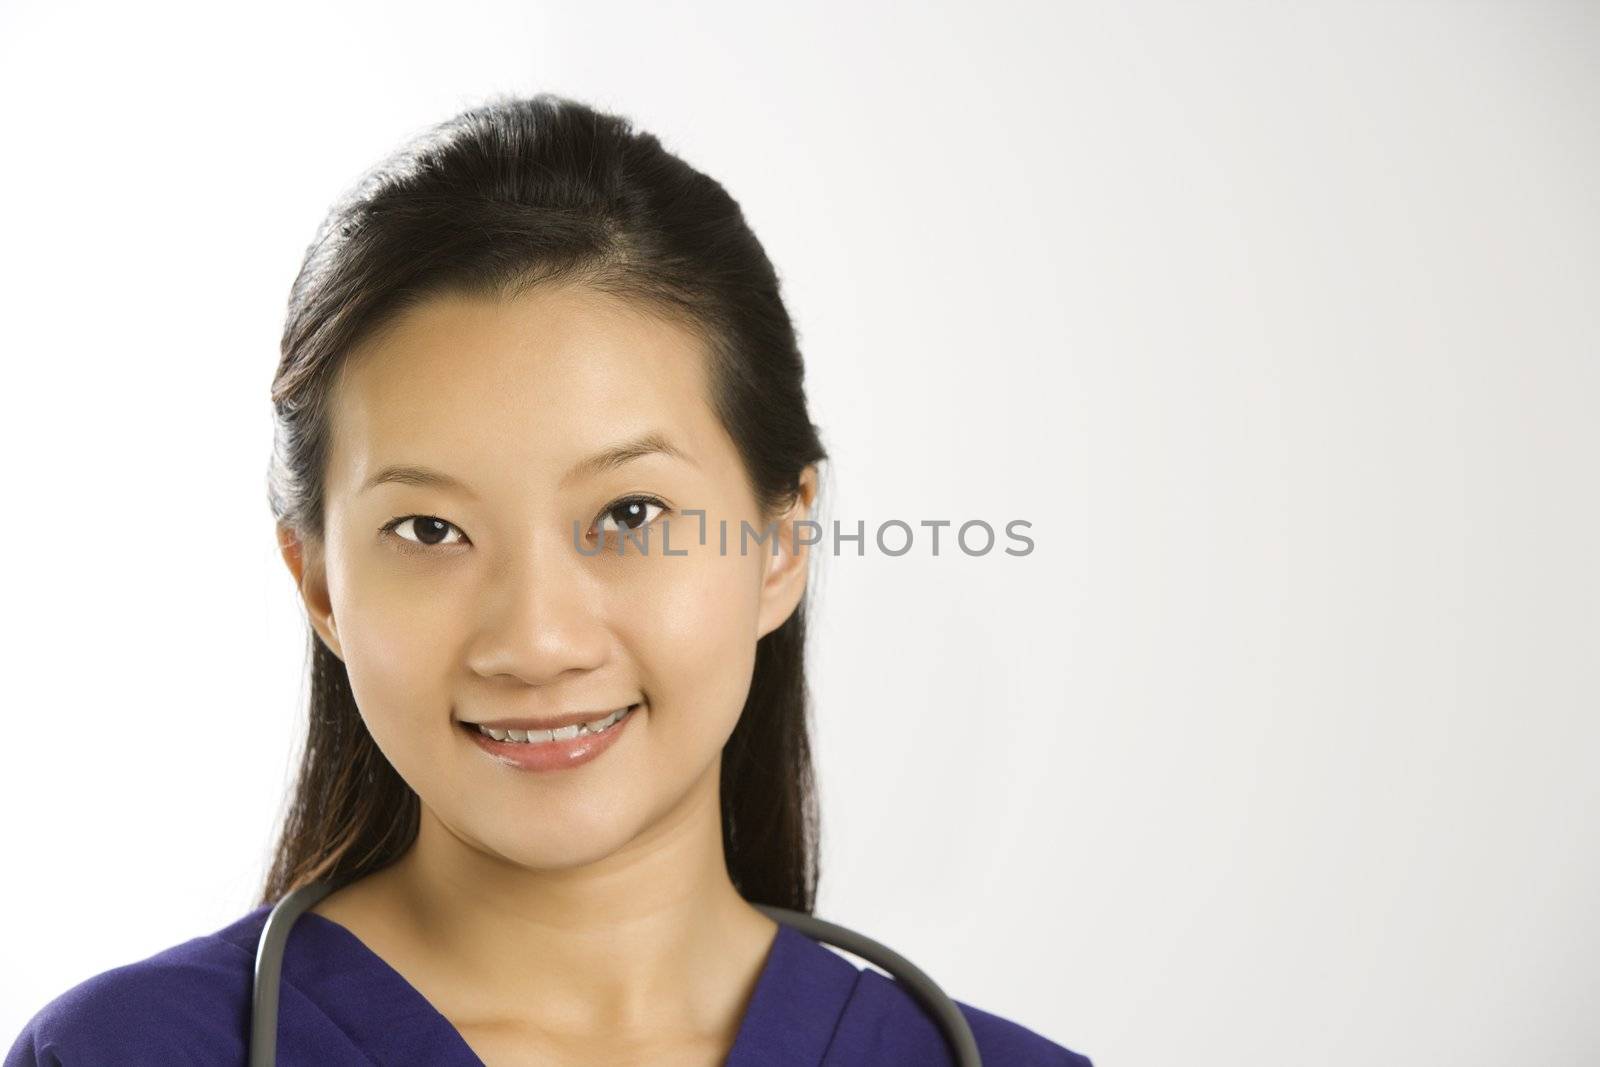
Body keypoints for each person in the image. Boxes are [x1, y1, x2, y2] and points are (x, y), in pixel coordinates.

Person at [5, 93, 1093, 1066]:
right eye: (429, 527)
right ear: (321, 584)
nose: (534, 639)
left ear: (780, 542)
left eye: (628, 514)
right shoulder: (125, 1052)